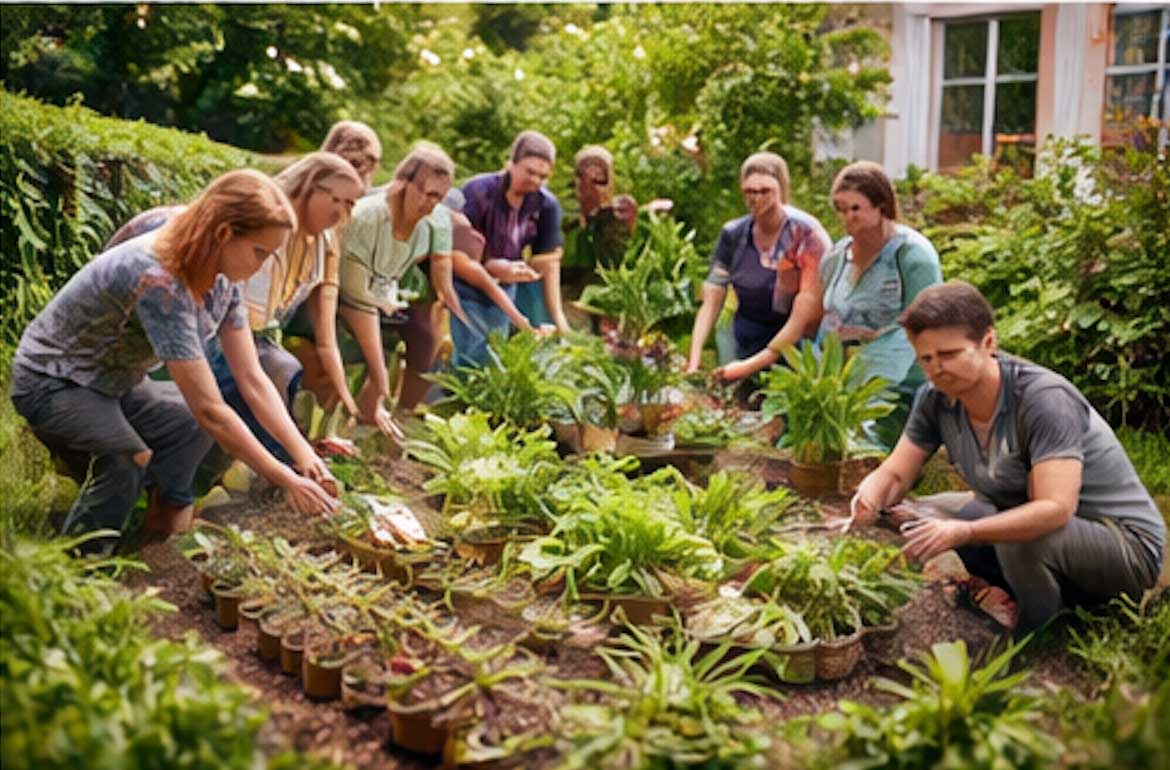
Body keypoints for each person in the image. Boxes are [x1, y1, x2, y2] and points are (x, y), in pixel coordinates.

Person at [10, 170, 339, 553]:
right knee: (126, 457)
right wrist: (284, 477)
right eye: (260, 252)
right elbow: (211, 410)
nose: (263, 265)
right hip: (53, 380)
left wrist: (304, 456)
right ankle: (78, 567)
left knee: (187, 426)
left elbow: (251, 377)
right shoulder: (162, 279)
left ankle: (156, 540)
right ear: (223, 234)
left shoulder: (220, 272)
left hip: (116, 380)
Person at [848, 281, 1165, 632]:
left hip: (1123, 548)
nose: (937, 367)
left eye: (949, 354)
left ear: (988, 342)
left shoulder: (1044, 400)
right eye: (926, 358)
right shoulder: (935, 399)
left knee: (1014, 536)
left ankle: (1038, 632)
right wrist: (869, 497)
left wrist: (965, 531)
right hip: (1035, 523)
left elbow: (1055, 509)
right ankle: (1013, 591)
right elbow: (895, 473)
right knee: (918, 514)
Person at [814, 161, 943, 444]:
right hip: (844, 374)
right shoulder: (837, 256)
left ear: (880, 206)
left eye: (855, 208)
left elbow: (926, 325)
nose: (847, 217)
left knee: (866, 446)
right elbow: (825, 316)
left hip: (898, 384)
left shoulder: (913, 255)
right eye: (841, 209)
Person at [334, 143, 459, 425]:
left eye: (439, 198)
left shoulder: (427, 225)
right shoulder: (367, 217)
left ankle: (393, 413)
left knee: (423, 334)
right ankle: (355, 414)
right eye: (427, 194)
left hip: (374, 300)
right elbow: (353, 292)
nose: (432, 204)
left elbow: (390, 277)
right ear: (404, 183)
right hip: (338, 299)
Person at [687, 152, 832, 382]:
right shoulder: (734, 235)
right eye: (750, 192)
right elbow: (712, 301)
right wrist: (693, 362)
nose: (756, 198)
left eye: (765, 191)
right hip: (748, 337)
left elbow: (805, 315)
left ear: (780, 190)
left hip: (796, 346)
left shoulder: (805, 235)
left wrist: (748, 367)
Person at [452, 130, 566, 368]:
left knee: (494, 353)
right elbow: (457, 253)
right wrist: (493, 267)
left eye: (542, 176)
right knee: (471, 354)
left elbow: (549, 261)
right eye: (530, 172)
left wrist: (558, 318)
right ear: (510, 164)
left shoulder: (546, 204)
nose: (535, 180)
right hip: (467, 282)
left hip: (507, 285)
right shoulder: (477, 192)